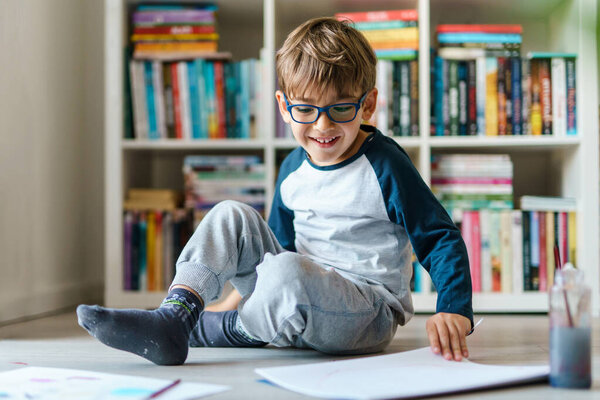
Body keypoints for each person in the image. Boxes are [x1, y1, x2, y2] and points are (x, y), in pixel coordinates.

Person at [77, 16, 473, 366]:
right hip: (293, 295)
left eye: (340, 109)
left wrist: (454, 309)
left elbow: (440, 238)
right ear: (284, 108)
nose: (322, 126)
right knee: (232, 214)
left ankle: (222, 331)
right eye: (306, 110)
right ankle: (179, 314)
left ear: (367, 106)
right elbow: (274, 251)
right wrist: (224, 300)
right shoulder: (293, 168)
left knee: (287, 271)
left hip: (366, 314)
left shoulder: (386, 165)